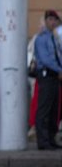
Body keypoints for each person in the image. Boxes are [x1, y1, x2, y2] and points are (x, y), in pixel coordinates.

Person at [34, 10, 62, 150]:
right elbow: (46, 59)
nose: (53, 22)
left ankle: (51, 139)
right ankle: (43, 141)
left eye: (55, 20)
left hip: (55, 76)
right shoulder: (41, 38)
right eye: (50, 19)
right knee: (44, 109)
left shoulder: (54, 37)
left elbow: (59, 55)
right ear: (45, 21)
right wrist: (59, 69)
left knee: (54, 109)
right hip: (47, 74)